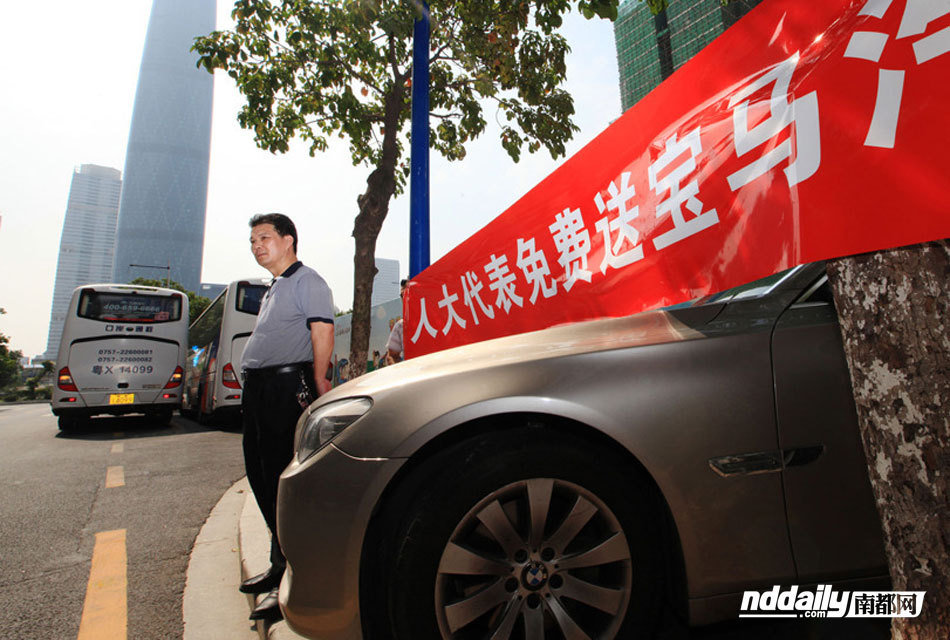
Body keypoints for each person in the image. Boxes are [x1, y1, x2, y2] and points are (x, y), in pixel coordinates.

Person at [237, 213, 334, 622]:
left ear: (288, 240)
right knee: (260, 476)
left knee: (285, 483)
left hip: (286, 389)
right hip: (259, 391)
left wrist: (320, 385)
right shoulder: (274, 288)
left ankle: (295, 581)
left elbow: (322, 332)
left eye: (265, 237)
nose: (257, 245)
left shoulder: (307, 281)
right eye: (253, 240)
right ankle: (279, 565)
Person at [385, 279, 407, 364]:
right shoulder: (400, 325)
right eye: (402, 295)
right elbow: (391, 356)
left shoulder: (438, 320)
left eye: (408, 293)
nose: (404, 298)